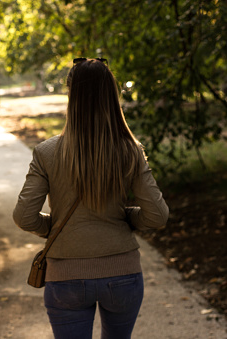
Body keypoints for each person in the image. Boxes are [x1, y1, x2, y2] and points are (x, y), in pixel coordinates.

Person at [13, 58, 169, 339]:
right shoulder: (130, 150)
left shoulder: (46, 153)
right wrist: (127, 216)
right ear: (111, 95)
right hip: (123, 274)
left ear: (71, 96)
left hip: (65, 278)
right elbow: (157, 216)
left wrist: (53, 227)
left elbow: (24, 216)